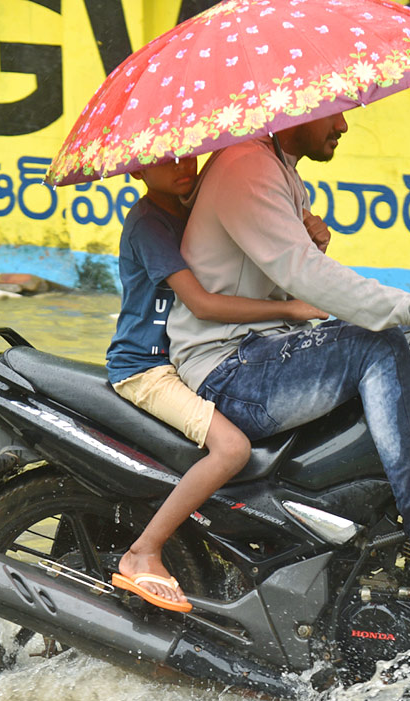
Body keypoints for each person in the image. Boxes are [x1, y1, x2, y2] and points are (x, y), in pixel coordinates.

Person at [167, 113, 410, 608]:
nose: (343, 125)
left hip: (262, 350)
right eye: (333, 114)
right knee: (380, 341)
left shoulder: (280, 169)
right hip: (229, 370)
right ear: (298, 112)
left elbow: (294, 271)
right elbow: (309, 277)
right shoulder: (245, 167)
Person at [108, 156, 326, 611]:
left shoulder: (206, 210)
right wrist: (289, 312)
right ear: (135, 171)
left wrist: (311, 242)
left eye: (188, 153)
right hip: (148, 368)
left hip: (202, 361)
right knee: (232, 449)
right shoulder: (150, 223)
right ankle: (142, 553)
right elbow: (204, 305)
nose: (181, 165)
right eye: (163, 160)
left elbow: (272, 274)